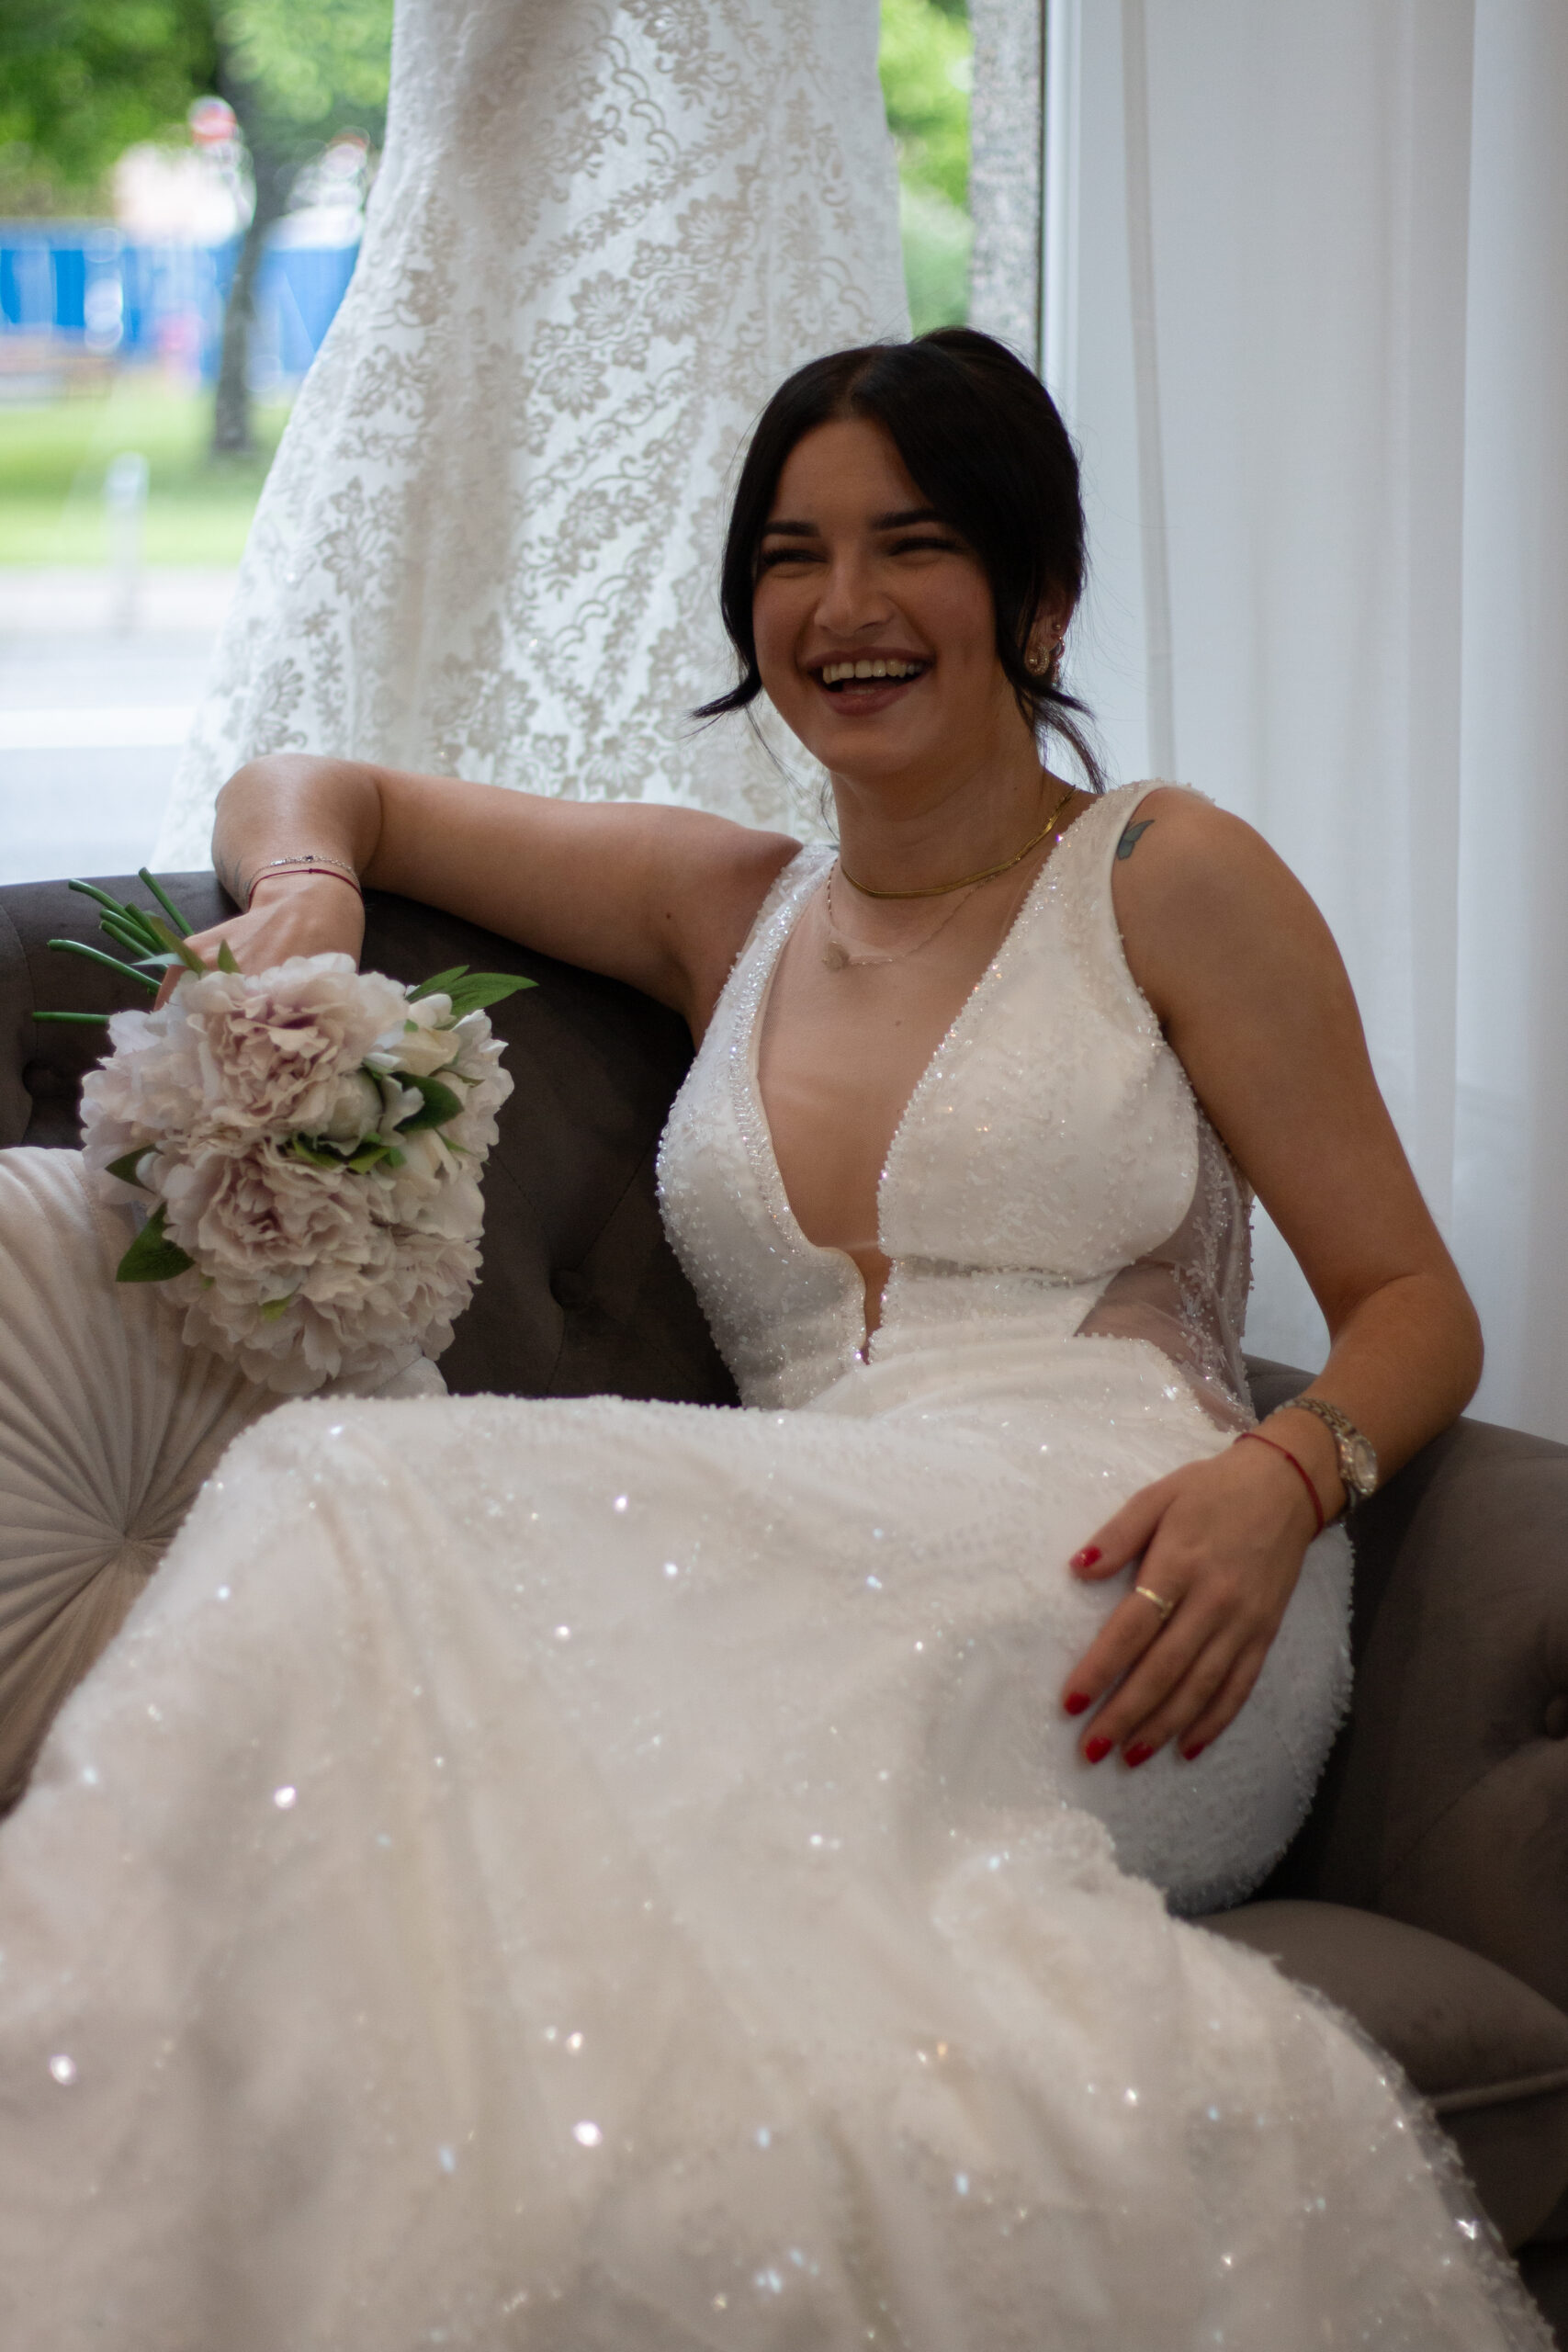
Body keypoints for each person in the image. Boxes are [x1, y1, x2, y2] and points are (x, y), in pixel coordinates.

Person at [0, 331, 1543, 2349]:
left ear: (1036, 595)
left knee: (359, 1489)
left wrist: (1283, 1475)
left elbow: (1416, 1303)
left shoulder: (1165, 875)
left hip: (1143, 1578)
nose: (843, 605)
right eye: (791, 556)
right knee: (376, 1655)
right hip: (827, 1543)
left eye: (911, 545)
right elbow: (317, 782)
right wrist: (306, 893)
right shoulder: (725, 909)